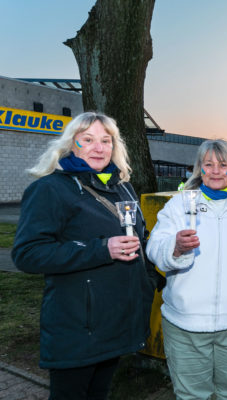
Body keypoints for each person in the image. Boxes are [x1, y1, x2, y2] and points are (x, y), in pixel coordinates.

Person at [12, 111, 161, 400]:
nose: (99, 147)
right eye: (88, 139)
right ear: (72, 145)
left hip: (116, 322)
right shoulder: (50, 189)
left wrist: (155, 269)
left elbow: (138, 241)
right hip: (78, 328)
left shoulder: (122, 188)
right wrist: (102, 248)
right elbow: (27, 254)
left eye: (106, 140)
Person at [146, 139, 227, 400]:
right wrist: (175, 247)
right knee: (191, 396)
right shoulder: (178, 205)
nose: (216, 170)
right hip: (185, 326)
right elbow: (154, 246)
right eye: (208, 164)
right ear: (199, 169)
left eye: (223, 164)